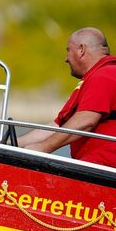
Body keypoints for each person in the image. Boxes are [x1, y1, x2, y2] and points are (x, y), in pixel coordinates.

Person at [18, 27, 116, 167]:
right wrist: (9, 143)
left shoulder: (105, 75)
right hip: (91, 167)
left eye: (68, 50)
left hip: (103, 171)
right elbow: (59, 126)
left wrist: (43, 148)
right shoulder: (90, 80)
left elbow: (85, 122)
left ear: (81, 50)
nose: (66, 59)